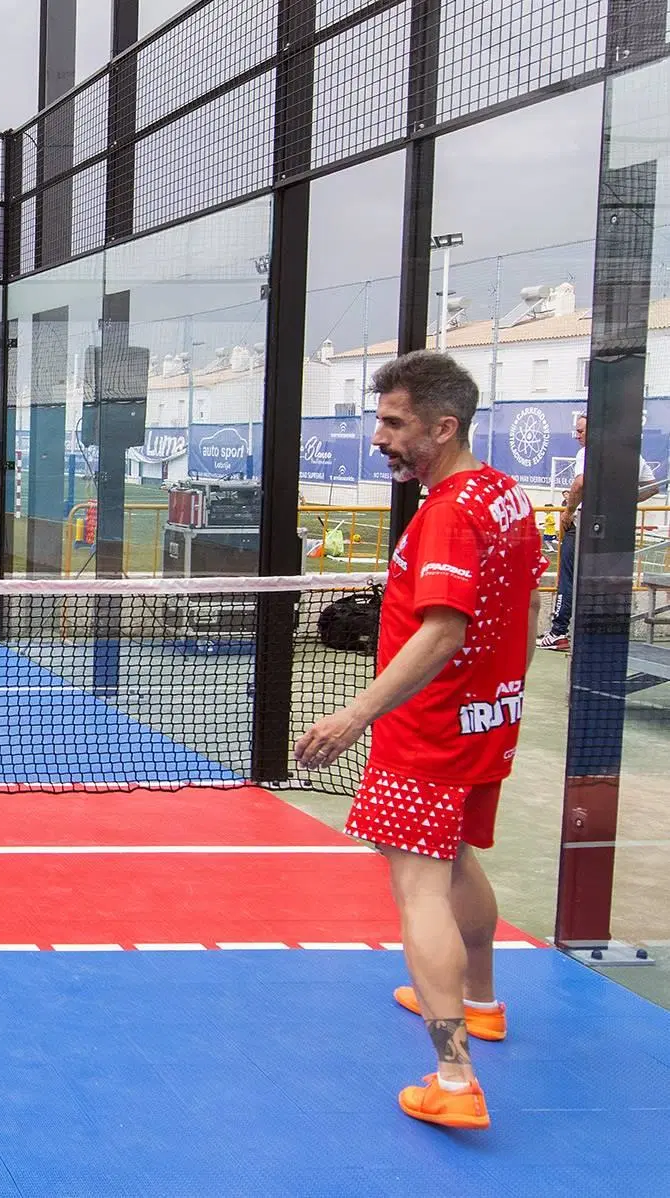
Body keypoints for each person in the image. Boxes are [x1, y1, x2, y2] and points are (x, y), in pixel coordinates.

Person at [295, 352, 544, 1131]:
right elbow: (530, 602)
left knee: (418, 892)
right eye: (379, 420)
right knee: (454, 858)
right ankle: (481, 1002)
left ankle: (455, 1076)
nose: (379, 437)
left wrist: (352, 716)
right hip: (485, 721)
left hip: (430, 732)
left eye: (395, 423)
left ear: (445, 426)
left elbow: (442, 632)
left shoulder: (446, 512)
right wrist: (508, 691)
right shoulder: (506, 495)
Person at [539, 411, 660, 651]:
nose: (577, 436)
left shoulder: (589, 452)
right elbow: (653, 487)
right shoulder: (631, 455)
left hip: (586, 523)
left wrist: (569, 511)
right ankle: (598, 636)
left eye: (581, 431)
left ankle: (558, 632)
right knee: (603, 581)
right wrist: (624, 502)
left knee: (569, 578)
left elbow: (580, 483)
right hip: (615, 525)